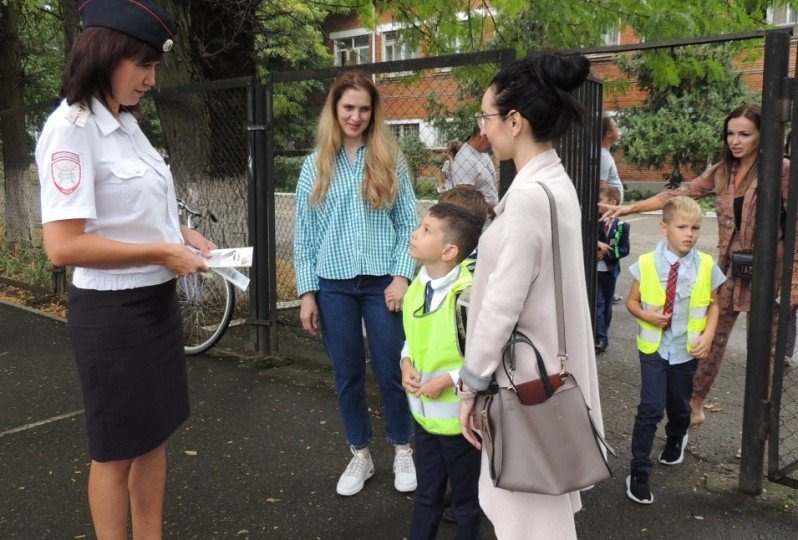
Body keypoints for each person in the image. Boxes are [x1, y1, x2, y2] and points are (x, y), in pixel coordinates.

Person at [36, 1, 215, 536]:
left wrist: (180, 236)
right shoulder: (71, 128)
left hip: (153, 305)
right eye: (143, 66)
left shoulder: (125, 122)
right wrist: (163, 253)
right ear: (106, 54)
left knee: (153, 437)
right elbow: (63, 246)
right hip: (112, 314)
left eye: (154, 67)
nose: (151, 79)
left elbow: (132, 212)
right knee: (115, 453)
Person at [457, 52, 605, 539]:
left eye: (488, 117)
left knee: (527, 519)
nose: (485, 128)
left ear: (515, 121)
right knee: (542, 512)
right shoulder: (554, 182)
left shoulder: (526, 199)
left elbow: (502, 305)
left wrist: (470, 384)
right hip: (548, 378)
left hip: (524, 385)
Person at [601, 103, 796, 429]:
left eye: (745, 134)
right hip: (728, 271)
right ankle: (694, 406)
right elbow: (681, 193)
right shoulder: (723, 171)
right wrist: (630, 207)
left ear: (762, 135)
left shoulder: (782, 170)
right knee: (708, 341)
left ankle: (759, 429)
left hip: (768, 275)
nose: (736, 141)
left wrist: (793, 282)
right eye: (731, 133)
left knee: (765, 355)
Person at [293, 70, 418, 497]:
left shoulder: (388, 158)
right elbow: (304, 234)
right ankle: (360, 454)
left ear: (373, 111)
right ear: (334, 108)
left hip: (384, 282)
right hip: (334, 286)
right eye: (349, 107)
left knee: (390, 370)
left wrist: (403, 275)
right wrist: (307, 293)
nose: (356, 116)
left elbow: (408, 224)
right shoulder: (315, 165)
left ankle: (403, 448)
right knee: (346, 373)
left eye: (364, 108)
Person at [624, 197, 725, 504]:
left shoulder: (706, 266)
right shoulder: (645, 264)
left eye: (695, 227)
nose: (689, 234)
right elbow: (631, 302)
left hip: (685, 350)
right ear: (664, 227)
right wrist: (647, 315)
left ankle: (676, 437)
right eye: (682, 227)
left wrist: (708, 335)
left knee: (680, 408)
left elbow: (714, 305)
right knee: (650, 408)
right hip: (654, 349)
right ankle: (639, 471)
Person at [400, 203, 484, 540]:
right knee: (426, 494)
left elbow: (483, 354)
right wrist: (405, 362)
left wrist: (448, 380)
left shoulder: (468, 293)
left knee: (465, 502)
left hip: (460, 426)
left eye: (425, 230)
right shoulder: (418, 283)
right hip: (424, 420)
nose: (414, 234)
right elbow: (413, 340)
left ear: (449, 251)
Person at [595, 185, 630, 353]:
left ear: (612, 202)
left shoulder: (622, 225)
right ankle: (600, 338)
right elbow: (584, 236)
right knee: (598, 302)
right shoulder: (593, 221)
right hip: (592, 270)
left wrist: (606, 254)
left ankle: (603, 332)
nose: (596, 203)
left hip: (609, 270)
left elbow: (624, 249)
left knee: (607, 304)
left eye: (600, 200)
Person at [449, 127, 500, 211]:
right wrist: (496, 211)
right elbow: (467, 200)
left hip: (491, 215)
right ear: (482, 136)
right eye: (493, 139)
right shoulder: (464, 159)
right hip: (479, 219)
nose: (494, 143)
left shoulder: (482, 153)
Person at [600, 116, 624, 203]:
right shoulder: (602, 156)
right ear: (608, 133)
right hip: (607, 211)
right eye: (615, 127)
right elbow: (601, 186)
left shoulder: (604, 154)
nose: (618, 129)